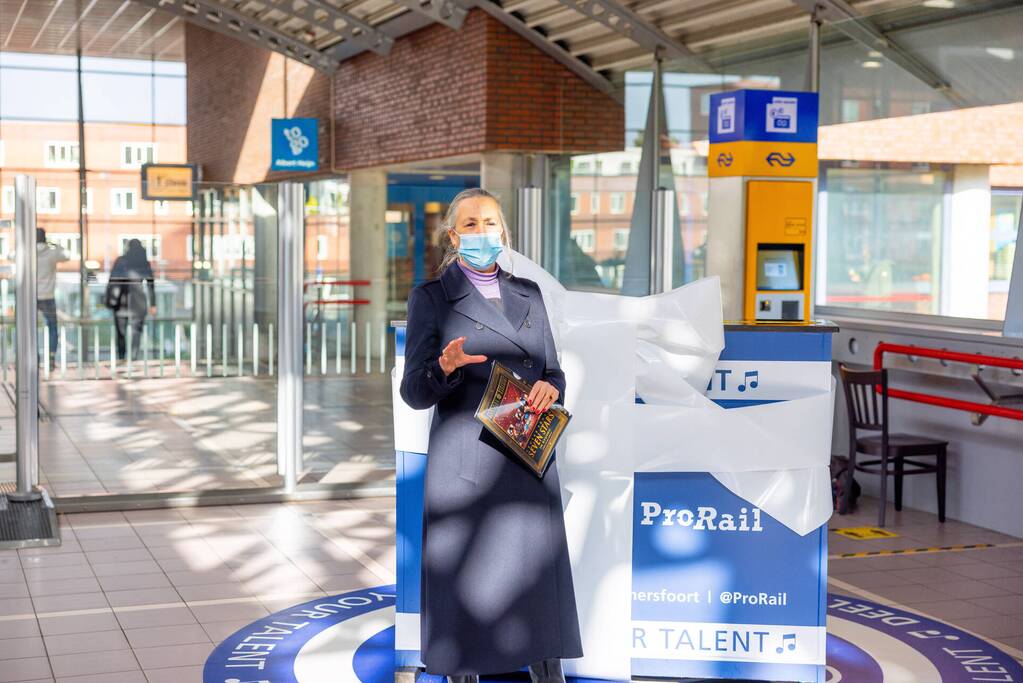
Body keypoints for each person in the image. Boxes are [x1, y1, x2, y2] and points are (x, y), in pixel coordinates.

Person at [399, 188, 583, 683]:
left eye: (491, 222)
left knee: (535, 585)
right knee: (470, 591)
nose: (484, 232)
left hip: (526, 455)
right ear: (454, 236)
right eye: (472, 224)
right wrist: (444, 366)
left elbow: (553, 371)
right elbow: (415, 392)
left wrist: (550, 388)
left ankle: (549, 674)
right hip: (467, 467)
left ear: (504, 231)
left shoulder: (530, 294)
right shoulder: (431, 299)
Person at [106, 239, 156, 359]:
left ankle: (122, 357)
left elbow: (112, 281)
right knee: (136, 332)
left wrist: (110, 298)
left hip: (120, 301)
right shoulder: (144, 262)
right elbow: (150, 285)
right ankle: (133, 357)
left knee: (121, 333)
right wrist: (153, 304)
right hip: (138, 302)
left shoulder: (121, 261)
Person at [36, 228, 69, 368]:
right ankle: (51, 357)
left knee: (30, 328)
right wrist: (56, 245)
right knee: (52, 327)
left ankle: (34, 356)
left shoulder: (27, 252)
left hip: (32, 296)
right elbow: (66, 255)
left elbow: (11, 255)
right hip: (48, 296)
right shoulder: (51, 253)